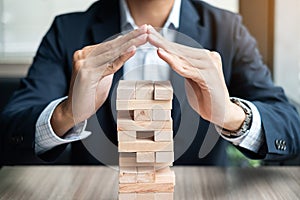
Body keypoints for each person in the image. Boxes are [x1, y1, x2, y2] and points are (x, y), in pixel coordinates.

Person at [1, 0, 299, 165]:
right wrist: (68, 113)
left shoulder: (228, 29)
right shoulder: (68, 29)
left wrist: (231, 115)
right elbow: (11, 127)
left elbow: (290, 126)